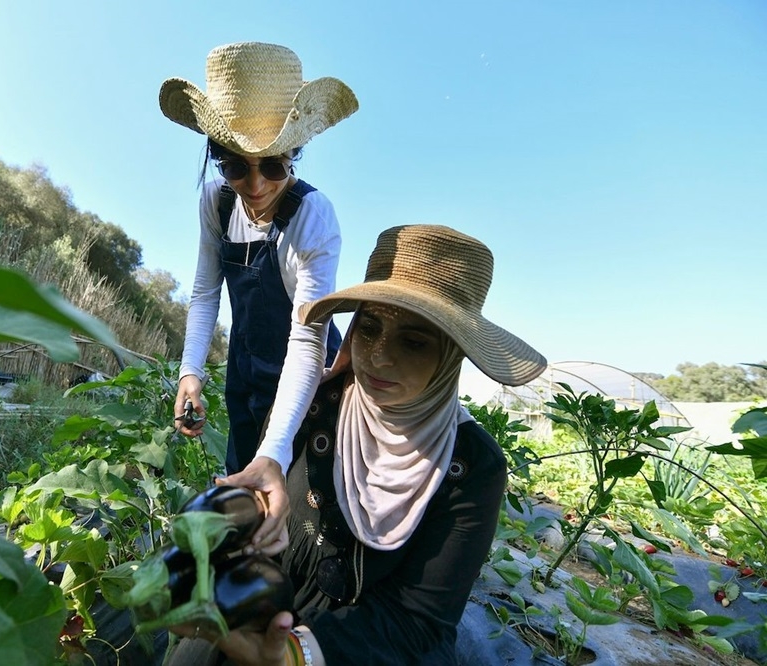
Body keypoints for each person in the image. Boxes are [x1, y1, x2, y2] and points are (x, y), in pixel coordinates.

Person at [169, 224, 548, 665]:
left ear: (452, 354)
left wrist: (296, 654)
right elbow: (264, 504)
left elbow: (418, 621)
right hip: (260, 605)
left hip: (361, 648)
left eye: (413, 341)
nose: (378, 356)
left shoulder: (472, 465)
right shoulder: (310, 403)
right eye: (369, 328)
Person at [161, 42, 359, 547]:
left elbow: (307, 339)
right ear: (217, 159)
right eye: (234, 166)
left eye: (272, 165)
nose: (255, 185)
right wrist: (191, 373)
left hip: (310, 379)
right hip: (246, 372)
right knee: (240, 500)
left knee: (299, 508)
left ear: (293, 154)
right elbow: (206, 293)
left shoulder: (313, 218)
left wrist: (274, 449)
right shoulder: (215, 201)